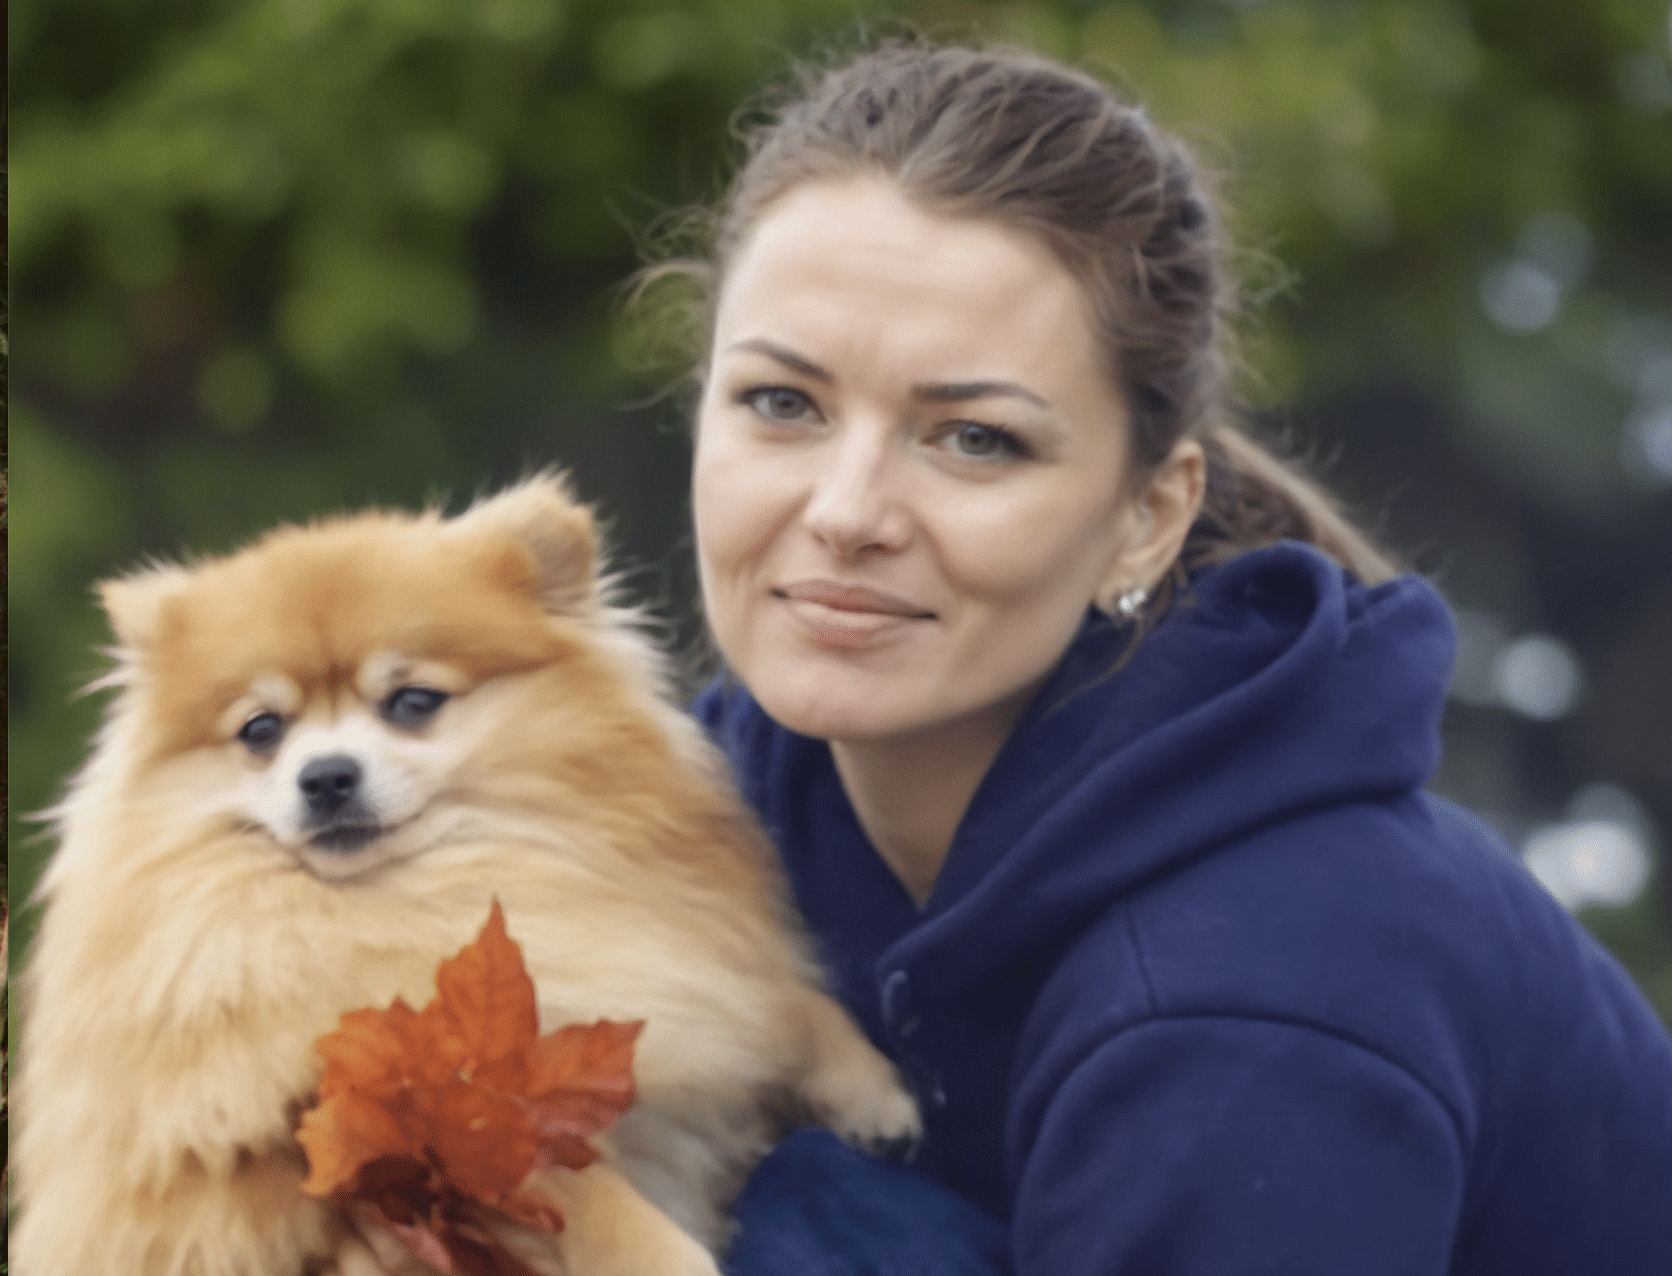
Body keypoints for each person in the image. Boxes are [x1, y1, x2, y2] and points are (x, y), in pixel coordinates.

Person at [347, 39, 1672, 1276]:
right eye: (782, 405)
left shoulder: (1249, 1001)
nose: (849, 510)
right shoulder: (678, 830)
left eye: (973, 438)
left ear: (1145, 515)